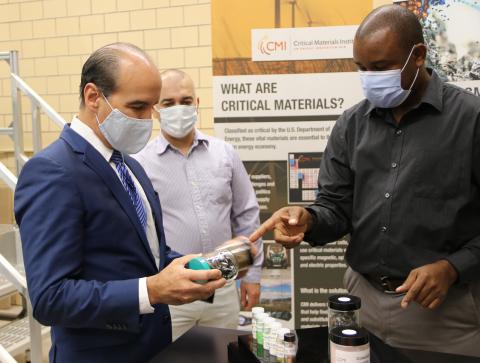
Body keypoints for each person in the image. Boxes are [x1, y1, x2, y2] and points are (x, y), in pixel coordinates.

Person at [250, 5, 480, 357]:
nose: (369, 77)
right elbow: (335, 209)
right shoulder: (351, 124)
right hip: (362, 305)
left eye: (380, 67)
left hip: (442, 312)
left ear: (417, 56)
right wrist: (308, 220)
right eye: (361, 68)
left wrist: (453, 267)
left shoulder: (470, 120)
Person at [14, 43, 227, 363]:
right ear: (93, 96)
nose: (148, 120)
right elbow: (50, 298)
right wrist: (151, 290)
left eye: (151, 108)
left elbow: (145, 254)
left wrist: (196, 267)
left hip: (152, 347)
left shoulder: (130, 166)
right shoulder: (53, 171)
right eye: (137, 107)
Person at [134, 69, 263, 341]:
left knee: (222, 353)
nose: (178, 108)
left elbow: (246, 214)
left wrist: (253, 275)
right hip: (172, 292)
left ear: (197, 103)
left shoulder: (224, 154)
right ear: (156, 109)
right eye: (168, 103)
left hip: (222, 287)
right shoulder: (140, 164)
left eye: (186, 100)